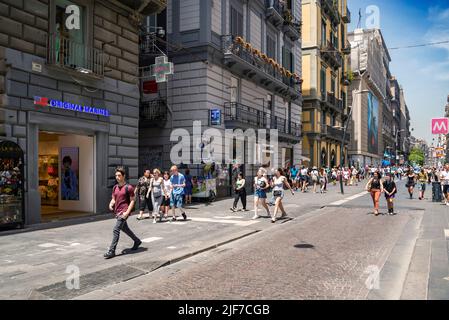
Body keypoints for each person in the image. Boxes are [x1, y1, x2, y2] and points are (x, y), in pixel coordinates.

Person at [104, 166, 141, 259]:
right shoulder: (115, 187)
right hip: (117, 211)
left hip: (124, 212)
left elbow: (132, 200)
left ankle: (111, 251)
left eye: (119, 175)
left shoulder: (128, 187)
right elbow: (114, 198)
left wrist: (127, 212)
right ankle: (137, 241)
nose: (117, 177)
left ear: (123, 176)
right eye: (116, 175)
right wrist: (110, 204)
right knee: (125, 229)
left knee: (116, 229)